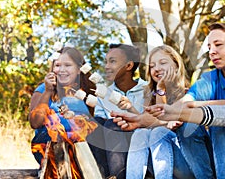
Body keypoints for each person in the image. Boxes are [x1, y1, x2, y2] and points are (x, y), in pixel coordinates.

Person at [112, 23, 225, 179]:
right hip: (213, 156)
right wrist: (140, 120)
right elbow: (183, 104)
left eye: (218, 45)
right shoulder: (208, 79)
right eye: (209, 47)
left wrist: (188, 109)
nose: (212, 52)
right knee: (182, 125)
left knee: (219, 119)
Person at [119, 45, 194, 179]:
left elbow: (163, 118)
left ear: (176, 66)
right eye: (152, 66)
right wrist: (130, 107)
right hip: (158, 159)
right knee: (141, 132)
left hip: (185, 162)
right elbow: (146, 122)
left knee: (159, 132)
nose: (157, 68)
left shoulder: (189, 94)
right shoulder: (150, 95)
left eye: (163, 63)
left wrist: (161, 88)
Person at [29, 47, 96, 168]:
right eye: (58, 65)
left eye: (68, 65)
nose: (62, 70)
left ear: (79, 70)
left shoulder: (87, 92)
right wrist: (48, 91)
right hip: (49, 143)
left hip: (83, 147)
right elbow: (35, 123)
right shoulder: (42, 90)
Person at [86, 43, 147, 179]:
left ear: (129, 66)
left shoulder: (147, 90)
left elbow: (151, 122)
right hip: (110, 148)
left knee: (113, 124)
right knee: (95, 123)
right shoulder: (104, 94)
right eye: (106, 62)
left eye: (112, 61)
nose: (107, 66)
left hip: (139, 142)